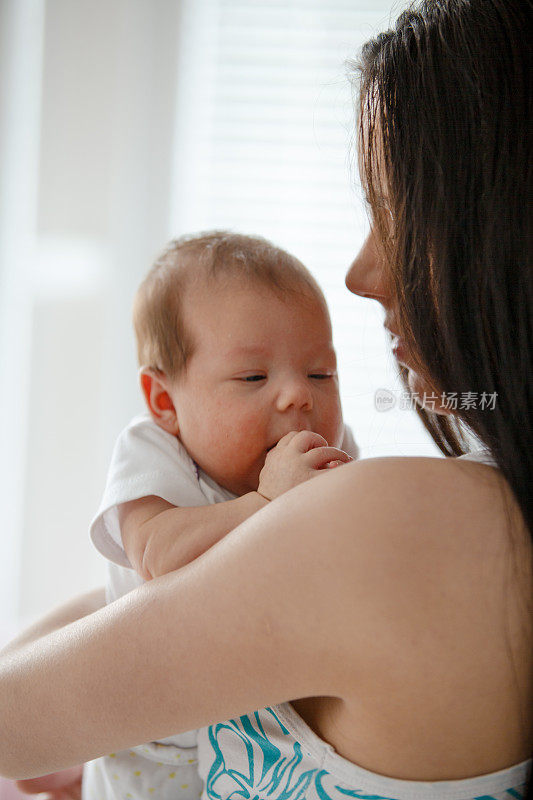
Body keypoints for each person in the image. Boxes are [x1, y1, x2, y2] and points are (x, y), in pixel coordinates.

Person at [1, 0, 531, 798]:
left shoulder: (415, 522)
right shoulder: (467, 518)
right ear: (162, 401)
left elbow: (15, 717)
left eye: (391, 212)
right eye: (251, 378)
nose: (358, 275)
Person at [84, 231, 358, 799]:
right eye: (253, 378)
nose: (297, 397)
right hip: (156, 737)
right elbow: (159, 557)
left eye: (320, 374)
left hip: (263, 726)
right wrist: (263, 505)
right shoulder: (154, 452)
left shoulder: (325, 452)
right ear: (166, 402)